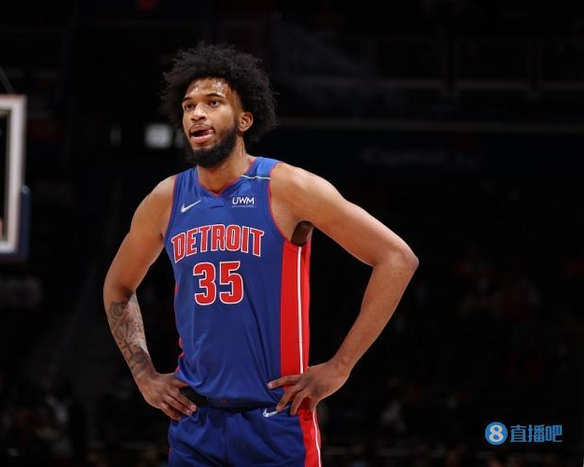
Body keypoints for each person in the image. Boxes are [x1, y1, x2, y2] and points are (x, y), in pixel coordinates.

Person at [103, 43, 418, 466]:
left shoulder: (287, 187)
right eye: (188, 106)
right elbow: (118, 286)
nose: (196, 114)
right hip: (195, 422)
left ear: (244, 119)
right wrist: (143, 374)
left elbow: (397, 258)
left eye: (213, 103)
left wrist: (341, 366)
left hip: (276, 419)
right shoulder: (166, 199)